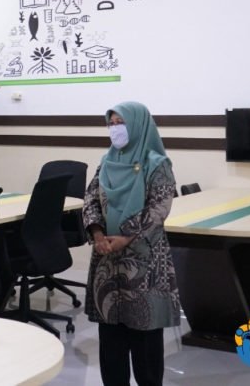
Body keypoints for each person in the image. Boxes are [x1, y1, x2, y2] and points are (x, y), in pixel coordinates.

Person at [83, 101, 181, 386]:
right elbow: (90, 199)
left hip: (144, 262)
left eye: (120, 123)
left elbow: (159, 209)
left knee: (145, 337)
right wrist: (99, 234)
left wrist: (125, 237)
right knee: (111, 338)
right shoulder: (107, 162)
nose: (115, 129)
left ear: (138, 124)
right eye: (111, 124)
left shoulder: (157, 164)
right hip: (106, 262)